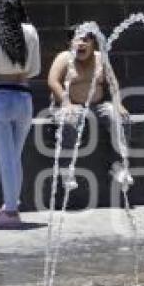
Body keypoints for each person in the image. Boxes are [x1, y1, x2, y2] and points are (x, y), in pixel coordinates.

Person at [0, 0, 41, 229]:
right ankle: (10, 205)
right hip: (23, 97)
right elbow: (34, 70)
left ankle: (11, 211)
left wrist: (0, 73)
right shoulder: (31, 31)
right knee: (15, 156)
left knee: (6, 158)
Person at [47, 28, 131, 189]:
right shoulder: (64, 58)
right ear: (70, 43)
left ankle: (118, 165)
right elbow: (53, 81)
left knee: (120, 117)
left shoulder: (101, 59)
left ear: (93, 43)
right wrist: (65, 102)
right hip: (70, 104)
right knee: (68, 119)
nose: (81, 43)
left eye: (85, 40)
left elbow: (113, 83)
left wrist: (118, 103)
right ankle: (66, 169)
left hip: (97, 105)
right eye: (77, 40)